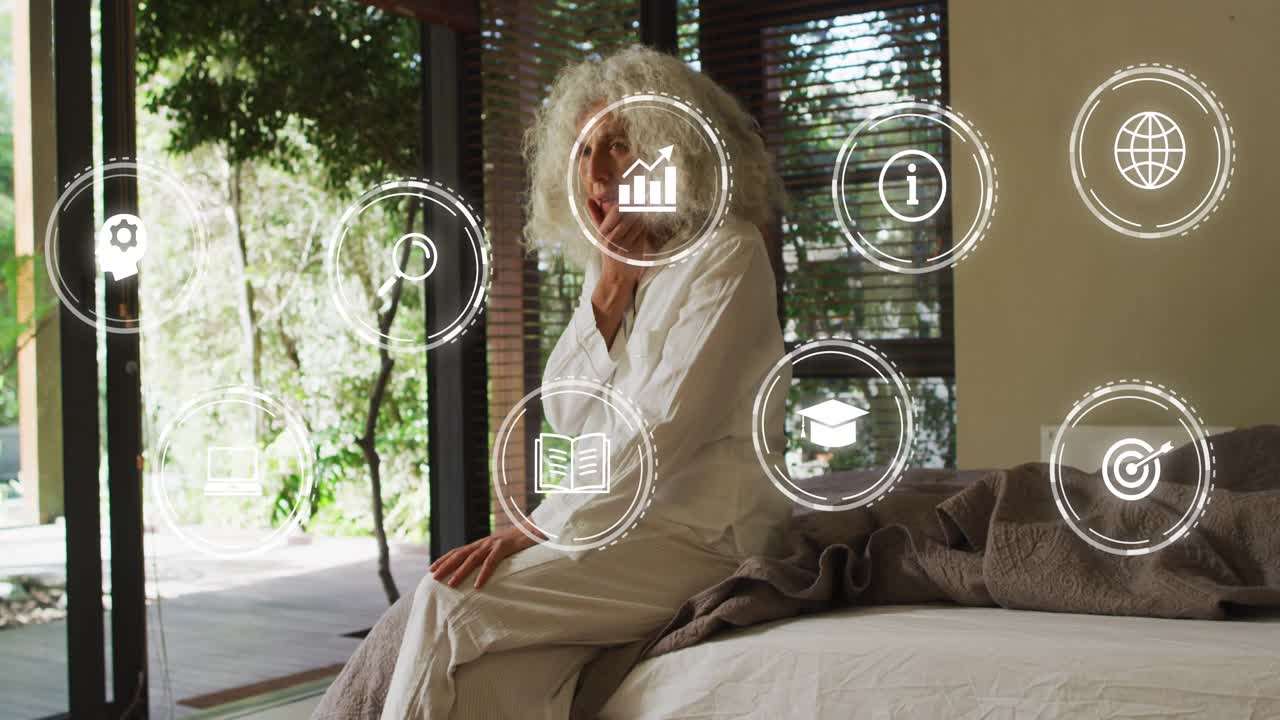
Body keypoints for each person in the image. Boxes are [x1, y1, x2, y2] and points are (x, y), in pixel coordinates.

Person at [378, 45, 790, 718]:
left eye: (619, 146)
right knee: (491, 681)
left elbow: (661, 429)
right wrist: (609, 286)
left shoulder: (728, 254)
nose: (596, 173)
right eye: (584, 151)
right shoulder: (621, 270)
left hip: (708, 539)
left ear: (672, 151)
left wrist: (542, 528)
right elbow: (568, 419)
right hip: (620, 535)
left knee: (446, 602)